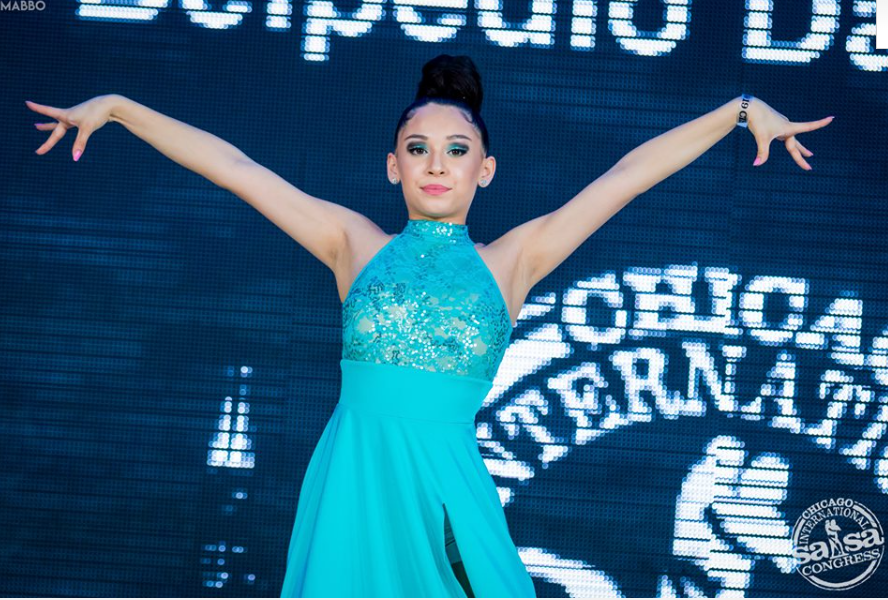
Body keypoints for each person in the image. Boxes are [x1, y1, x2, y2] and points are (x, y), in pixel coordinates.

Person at [26, 53, 833, 598]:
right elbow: (237, 169)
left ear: (484, 170)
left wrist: (740, 110)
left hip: (445, 489)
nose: (437, 163)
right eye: (419, 148)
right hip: (353, 483)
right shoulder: (353, 244)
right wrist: (123, 109)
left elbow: (625, 177)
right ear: (394, 164)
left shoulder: (511, 261)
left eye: (456, 149)